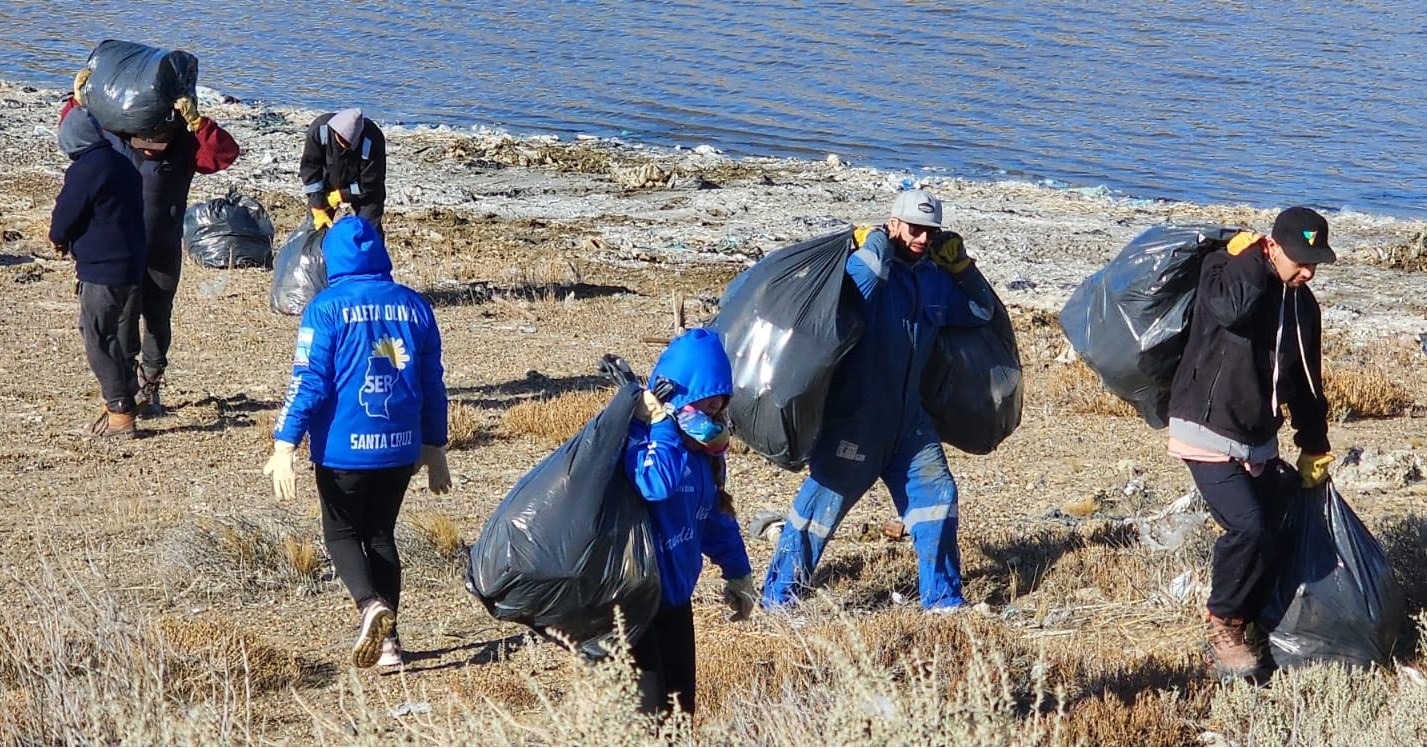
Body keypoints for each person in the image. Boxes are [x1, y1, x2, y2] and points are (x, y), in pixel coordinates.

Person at [761, 189, 995, 612]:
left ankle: (942, 601)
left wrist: (963, 268)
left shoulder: (935, 280)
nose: (922, 239)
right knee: (819, 509)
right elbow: (861, 286)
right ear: (894, 224)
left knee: (938, 499)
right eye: (914, 229)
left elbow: (981, 311)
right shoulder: (866, 267)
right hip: (857, 421)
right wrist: (875, 244)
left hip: (910, 424)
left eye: (931, 232)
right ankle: (779, 599)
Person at [262, 216, 451, 669]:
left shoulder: (325, 308)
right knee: (381, 534)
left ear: (331, 260)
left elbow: (309, 382)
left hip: (342, 448)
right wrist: (435, 446)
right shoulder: (416, 306)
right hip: (400, 446)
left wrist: (285, 443)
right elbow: (432, 383)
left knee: (342, 533)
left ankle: (369, 605)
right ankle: (390, 645)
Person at [1166, 206, 1336, 678]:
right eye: (1299, 261)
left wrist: (1314, 444)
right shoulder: (1225, 271)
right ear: (1272, 246)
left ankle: (1252, 621)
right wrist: (1249, 261)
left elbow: (1307, 382)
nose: (1308, 272)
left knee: (1277, 526)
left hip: (1258, 438)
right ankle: (1222, 622)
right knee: (1249, 527)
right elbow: (1230, 309)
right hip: (1204, 425)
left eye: (1314, 263)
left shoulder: (1304, 306)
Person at [63, 79, 241, 417]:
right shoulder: (115, 138)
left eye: (158, 142)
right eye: (145, 141)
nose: (151, 148)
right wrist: (79, 100)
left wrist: (199, 123)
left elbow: (225, 154)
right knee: (124, 318)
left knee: (158, 316)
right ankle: (129, 384)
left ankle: (151, 381)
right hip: (123, 251)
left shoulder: (185, 143)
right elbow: (74, 132)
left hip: (163, 246)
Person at [624, 328, 756, 717]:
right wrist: (661, 424)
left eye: (720, 402)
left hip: (676, 600)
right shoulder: (639, 437)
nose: (715, 408)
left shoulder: (704, 454)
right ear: (679, 397)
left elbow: (714, 519)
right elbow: (655, 484)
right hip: (632, 602)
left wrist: (739, 574)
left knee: (682, 714)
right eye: (706, 399)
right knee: (648, 721)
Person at [49, 107, 148, 438]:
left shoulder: (87, 169)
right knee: (110, 333)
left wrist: (59, 239)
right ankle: (131, 390)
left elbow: (65, 216)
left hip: (103, 269)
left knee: (97, 337)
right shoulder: (124, 164)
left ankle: (120, 413)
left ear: (72, 139)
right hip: (132, 265)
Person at [300, 108, 387, 232]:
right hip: (327, 182)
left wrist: (341, 195)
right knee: (316, 226)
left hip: (364, 189)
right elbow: (310, 169)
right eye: (341, 141)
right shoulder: (319, 130)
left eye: (348, 144)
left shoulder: (373, 139)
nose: (344, 146)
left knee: (368, 231)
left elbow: (370, 183)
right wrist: (317, 203)